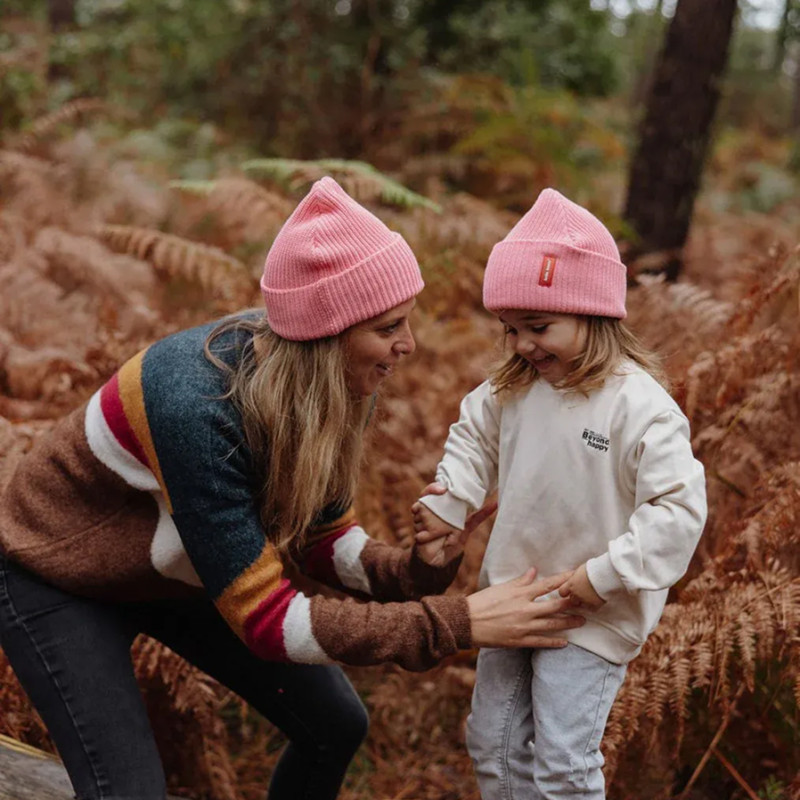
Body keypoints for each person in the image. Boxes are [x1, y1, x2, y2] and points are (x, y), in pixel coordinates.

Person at [0, 177, 584, 800]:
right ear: (330, 334)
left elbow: (321, 537)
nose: (407, 345)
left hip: (175, 565)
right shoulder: (194, 404)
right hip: (56, 577)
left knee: (335, 725)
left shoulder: (332, 382)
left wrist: (413, 569)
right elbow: (268, 625)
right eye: (390, 327)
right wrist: (455, 622)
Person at [412, 188, 707, 800]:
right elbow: (471, 442)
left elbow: (677, 512)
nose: (523, 344)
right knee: (491, 745)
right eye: (511, 329)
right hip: (514, 597)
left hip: (591, 612)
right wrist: (450, 504)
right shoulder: (511, 390)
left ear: (593, 313)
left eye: (539, 326)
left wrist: (600, 576)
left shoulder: (640, 407)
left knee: (563, 763)